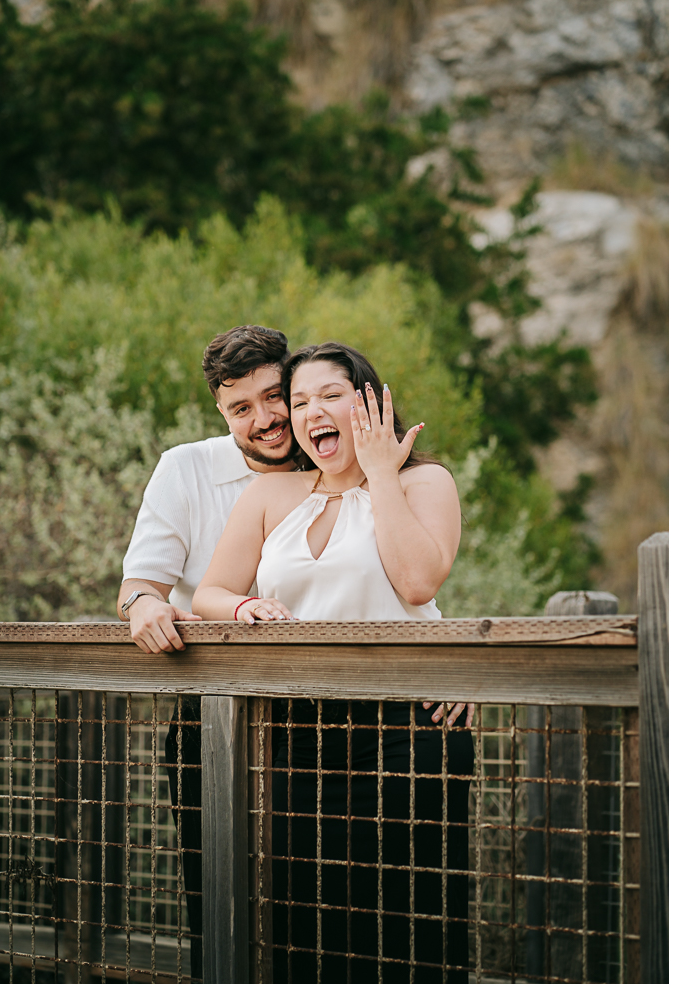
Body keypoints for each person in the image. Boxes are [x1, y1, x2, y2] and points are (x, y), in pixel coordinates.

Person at [193, 342, 475, 983]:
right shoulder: (271, 494)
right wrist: (243, 611)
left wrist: (378, 473)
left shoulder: (423, 482)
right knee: (298, 916)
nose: (310, 410)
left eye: (329, 395)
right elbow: (211, 591)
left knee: (410, 920)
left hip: (407, 727)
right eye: (298, 402)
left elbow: (417, 583)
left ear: (369, 402)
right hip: (294, 733)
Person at [117, 324, 299, 981]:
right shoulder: (185, 468)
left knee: (322, 904)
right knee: (220, 898)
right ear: (221, 412)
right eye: (241, 408)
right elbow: (142, 580)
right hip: (212, 717)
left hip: (326, 712)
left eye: (274, 396)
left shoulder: (331, 462)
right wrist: (144, 607)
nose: (266, 419)